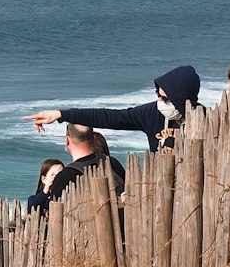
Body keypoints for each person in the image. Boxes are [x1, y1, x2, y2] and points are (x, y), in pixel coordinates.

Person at [26, 64, 201, 153]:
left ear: (181, 99)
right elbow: (108, 117)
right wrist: (61, 114)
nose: (160, 101)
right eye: (158, 95)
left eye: (166, 98)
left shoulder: (204, 118)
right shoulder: (151, 113)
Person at [48, 125, 126, 201]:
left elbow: (55, 210)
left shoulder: (65, 177)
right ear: (94, 138)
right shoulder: (111, 162)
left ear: (67, 140)